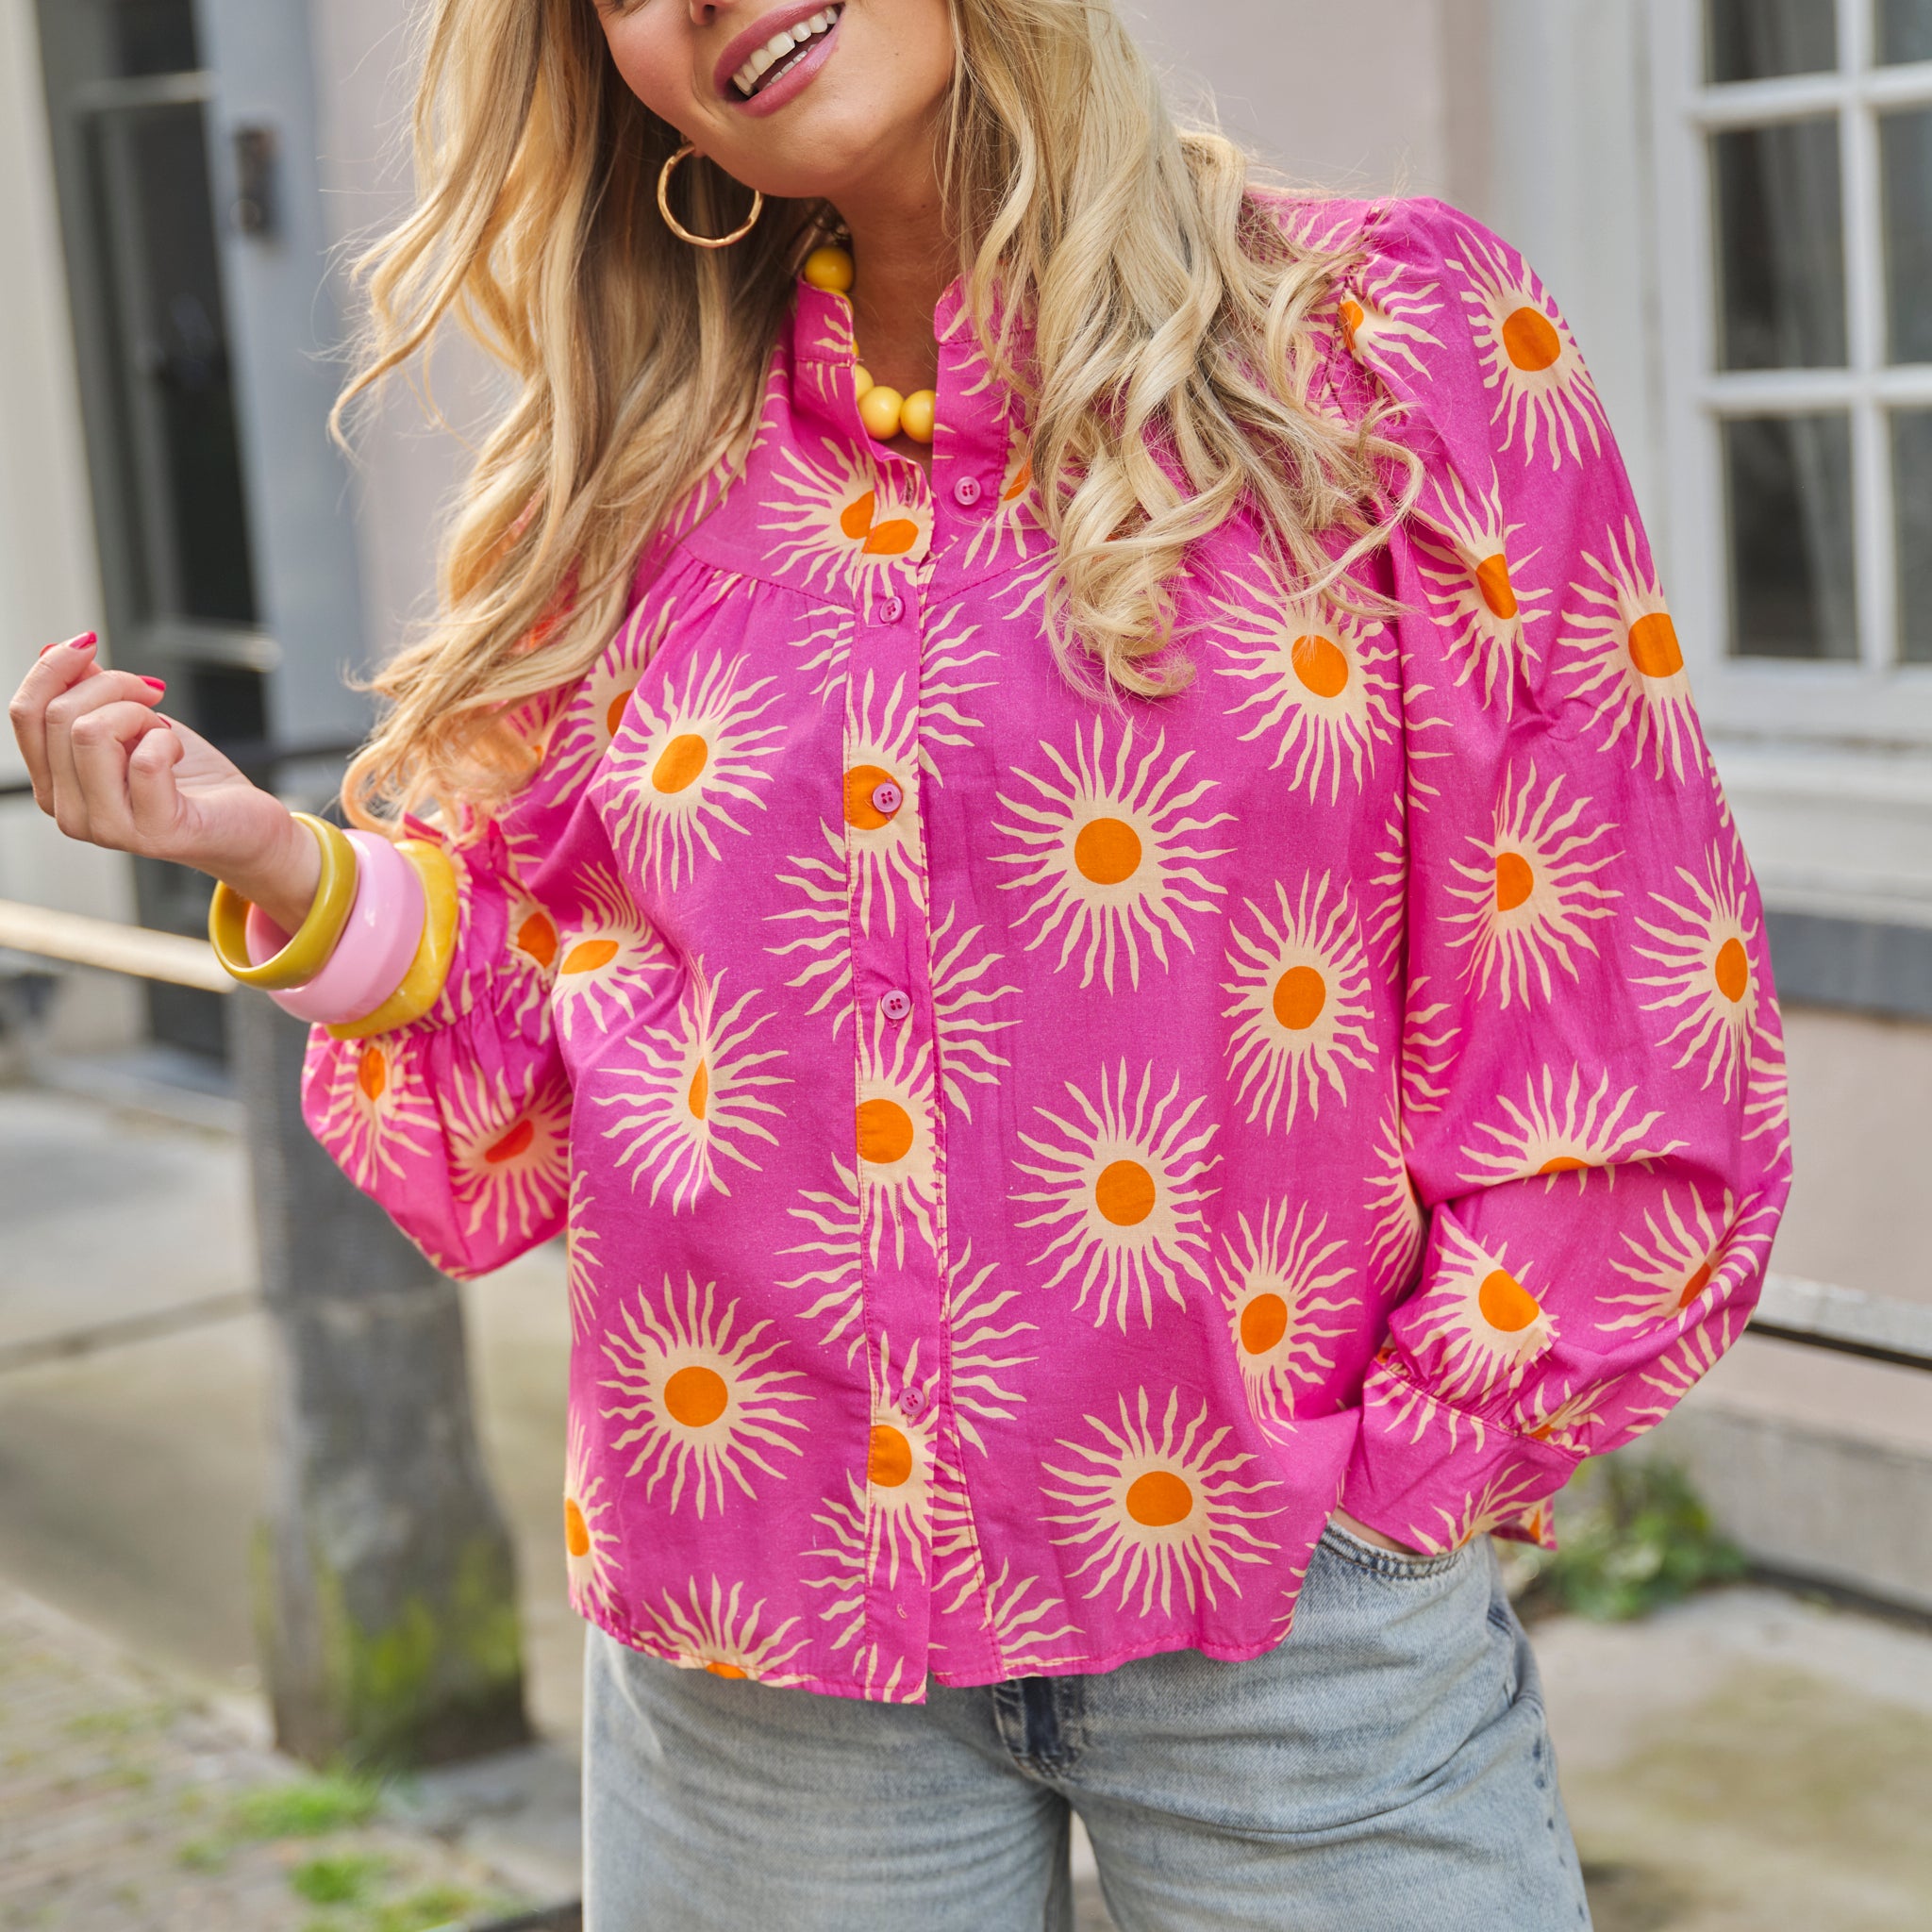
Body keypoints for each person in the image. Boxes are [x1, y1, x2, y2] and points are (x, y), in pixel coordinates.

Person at [10, 1, 1791, 1925]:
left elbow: (1617, 949)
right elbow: (545, 1016)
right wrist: (275, 863)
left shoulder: (1382, 341)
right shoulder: (641, 463)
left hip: (1287, 1619)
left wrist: (1405, 1480)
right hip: (762, 1654)